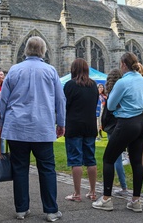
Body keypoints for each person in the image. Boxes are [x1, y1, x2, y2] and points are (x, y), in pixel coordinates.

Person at [0, 36, 65, 222]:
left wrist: (2, 122)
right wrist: (61, 122)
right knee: (47, 169)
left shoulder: (14, 70)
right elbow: (60, 100)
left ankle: (21, 209)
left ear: (26, 50)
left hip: (17, 126)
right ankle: (51, 211)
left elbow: (3, 99)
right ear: (43, 51)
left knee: (19, 168)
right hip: (42, 127)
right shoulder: (50, 71)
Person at [92, 52, 143, 212]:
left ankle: (106, 199)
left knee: (108, 159)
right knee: (137, 161)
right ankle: (136, 200)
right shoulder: (141, 79)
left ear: (123, 64)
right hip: (140, 121)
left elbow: (110, 105)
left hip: (127, 122)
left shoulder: (123, 82)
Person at [63, 58, 99, 202]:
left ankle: (77, 193)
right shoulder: (94, 85)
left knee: (75, 159)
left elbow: (65, 105)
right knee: (91, 159)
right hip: (90, 125)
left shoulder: (70, 85)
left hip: (74, 125)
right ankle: (92, 191)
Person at [102, 68, 129, 196]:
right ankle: (123, 186)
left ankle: (115, 188)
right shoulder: (124, 93)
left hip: (112, 128)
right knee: (118, 158)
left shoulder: (111, 96)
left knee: (113, 159)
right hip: (123, 126)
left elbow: (107, 114)